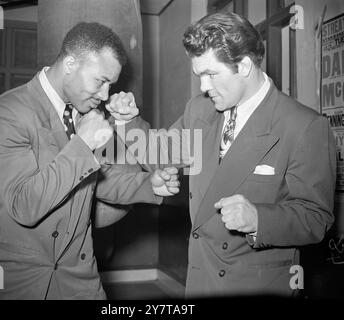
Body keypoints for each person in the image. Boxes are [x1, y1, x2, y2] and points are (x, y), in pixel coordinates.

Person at [111, 12, 336, 297]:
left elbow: (316, 218)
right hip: (200, 278)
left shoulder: (303, 126)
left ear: (243, 65)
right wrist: (127, 121)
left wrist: (258, 219)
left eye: (211, 74)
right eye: (199, 75)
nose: (204, 86)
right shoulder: (200, 109)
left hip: (257, 286)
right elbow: (163, 154)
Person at [0, 22, 180, 300]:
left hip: (80, 279)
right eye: (100, 81)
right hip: (17, 282)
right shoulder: (3, 113)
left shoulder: (80, 115)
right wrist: (83, 144)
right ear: (70, 63)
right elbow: (24, 204)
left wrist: (149, 185)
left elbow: (95, 181)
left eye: (111, 85)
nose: (105, 95)